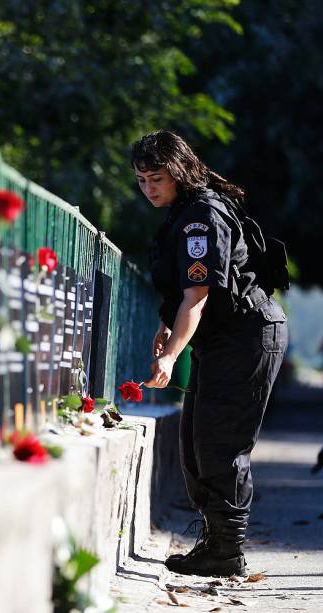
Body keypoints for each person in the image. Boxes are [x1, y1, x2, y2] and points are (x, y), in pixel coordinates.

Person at [133, 130, 288, 577]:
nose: (149, 189)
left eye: (156, 178)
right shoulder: (184, 211)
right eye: (142, 180)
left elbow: (197, 297)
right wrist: (167, 328)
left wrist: (169, 356)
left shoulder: (201, 215)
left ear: (178, 172)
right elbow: (183, 291)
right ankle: (216, 543)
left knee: (220, 446)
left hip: (246, 338)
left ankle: (226, 551)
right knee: (194, 444)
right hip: (223, 341)